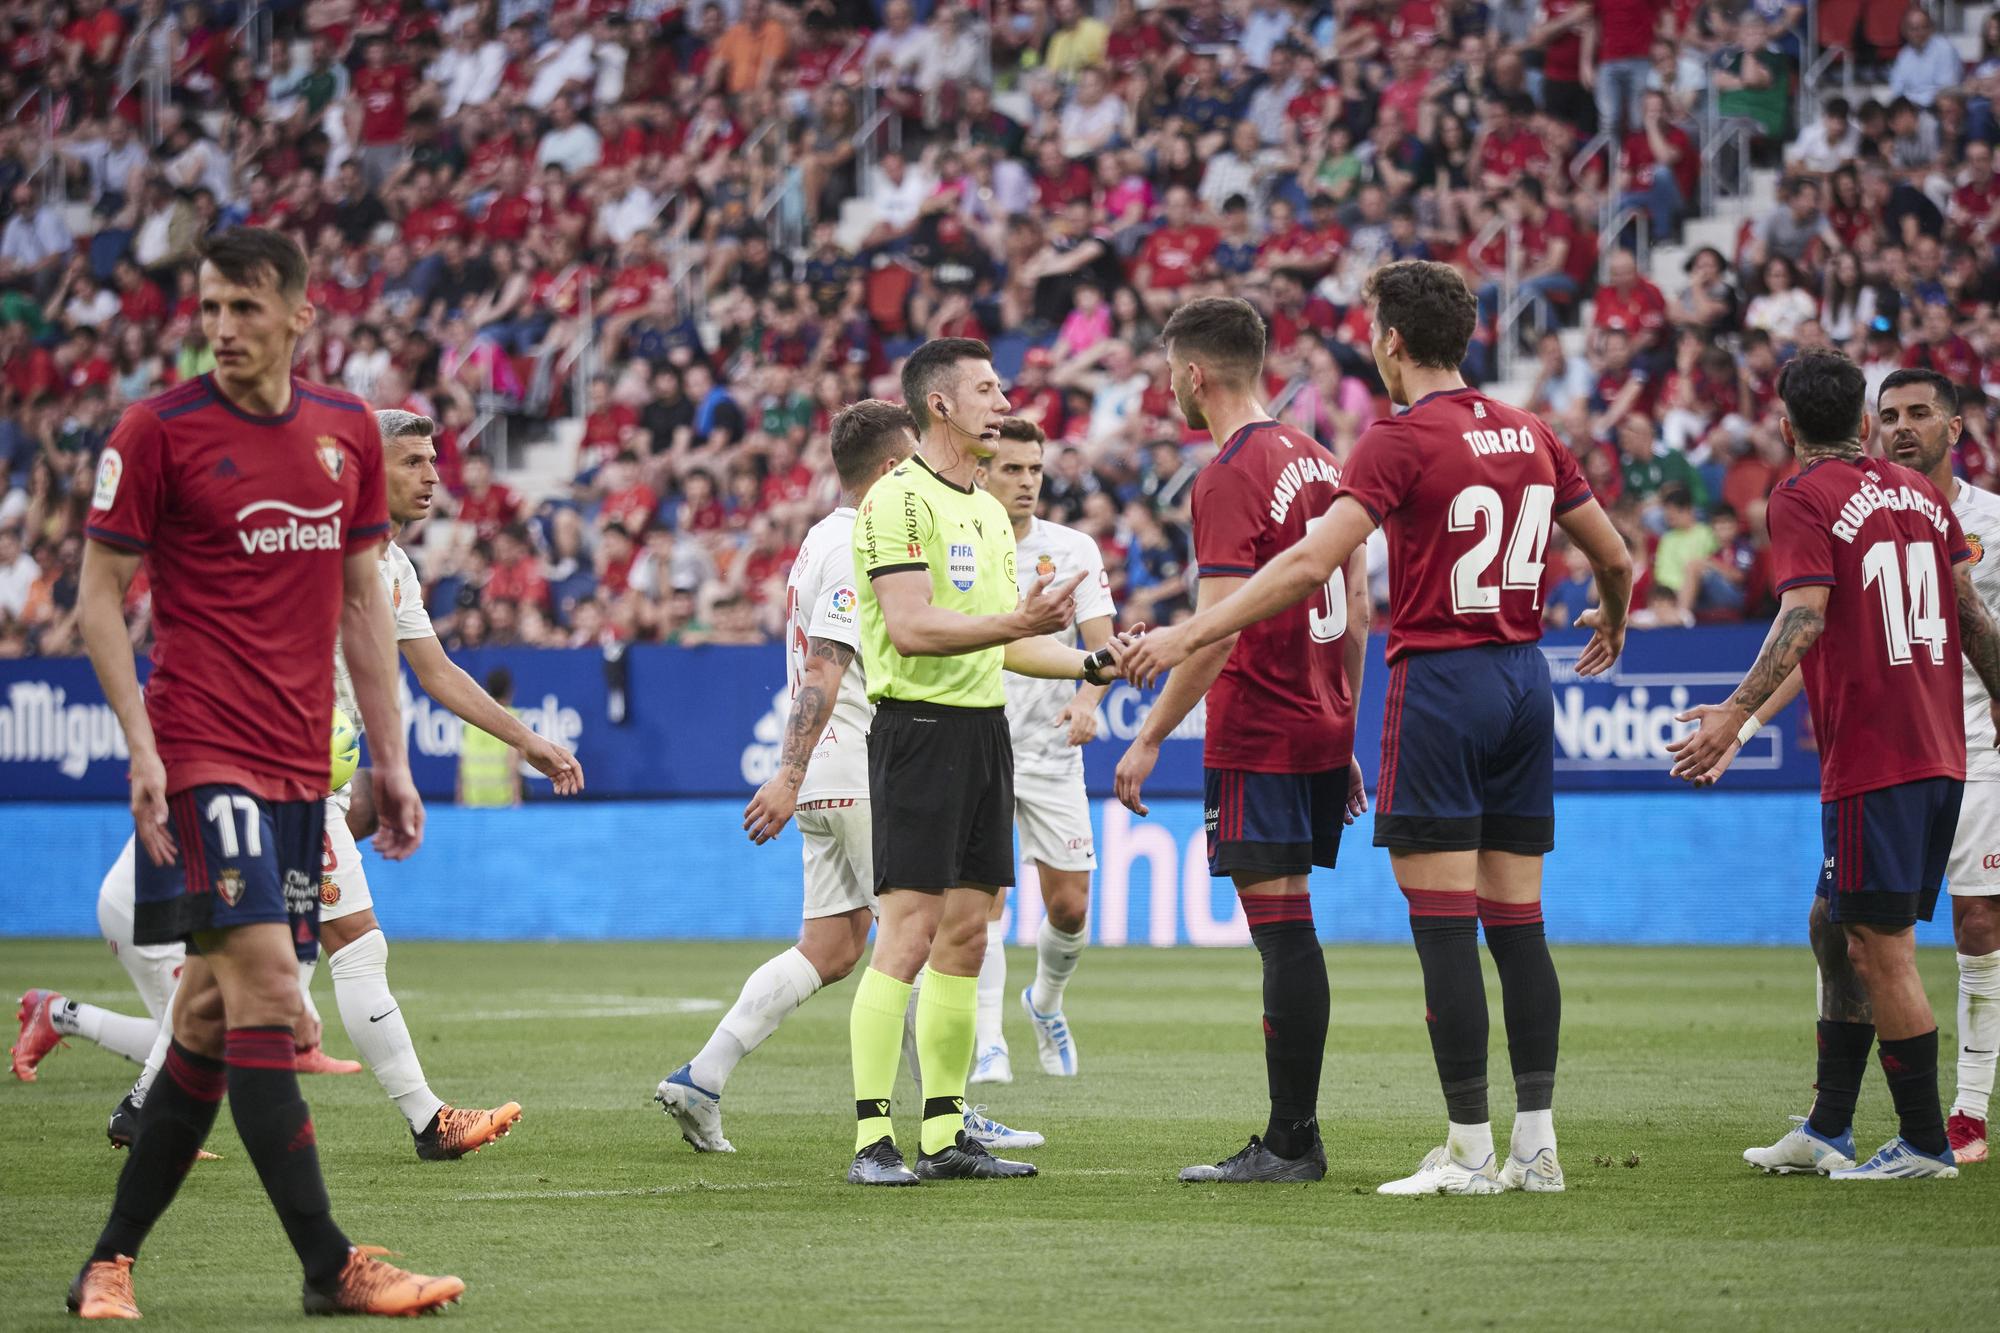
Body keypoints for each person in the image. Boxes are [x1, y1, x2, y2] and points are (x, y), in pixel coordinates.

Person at [1123, 261, 1634, 1195]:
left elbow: (1317, 561)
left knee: (1441, 925)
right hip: (1526, 678)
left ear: (1391, 340)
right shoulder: (1532, 432)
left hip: (1442, 681)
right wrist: (1613, 614)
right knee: (1519, 925)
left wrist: (1187, 631)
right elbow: (1615, 555)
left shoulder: (1394, 440)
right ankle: (1537, 1147)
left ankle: (1470, 1151)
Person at [66, 228, 461, 1318]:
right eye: (209, 310)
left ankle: (107, 1260)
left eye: (245, 309)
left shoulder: (344, 436)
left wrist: (390, 756)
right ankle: (332, 1265)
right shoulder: (156, 430)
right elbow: (98, 599)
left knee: (203, 1018)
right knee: (276, 998)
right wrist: (141, 745)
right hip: (200, 750)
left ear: (298, 315)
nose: (224, 330)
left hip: (299, 772)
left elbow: (360, 610)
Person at [1671, 351, 2000, 1181]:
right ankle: (1827, 1126)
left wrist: (1736, 715)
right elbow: (1968, 610)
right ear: (1864, 423)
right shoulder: (1923, 494)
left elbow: (1804, 617)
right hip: (1940, 753)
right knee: (1834, 922)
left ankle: (1926, 1142)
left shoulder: (1801, 496)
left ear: (1786, 429)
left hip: (1875, 758)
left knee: (1879, 948)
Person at [843, 337, 1129, 1186]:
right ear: (940, 405)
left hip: (983, 733)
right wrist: (1019, 628)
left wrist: (1094, 665)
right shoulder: (898, 501)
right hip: (918, 729)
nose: (1002, 401)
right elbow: (912, 628)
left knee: (965, 937)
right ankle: (870, 1139)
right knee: (908, 934)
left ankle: (940, 1134)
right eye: (986, 389)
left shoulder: (983, 511)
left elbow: (1011, 644)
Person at [1113, 295, 1371, 1184]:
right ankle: (1294, 1132)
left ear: (1193, 374)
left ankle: (1292, 1141)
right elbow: (1359, 607)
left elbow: (1215, 629)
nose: (1166, 390)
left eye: (1167, 374)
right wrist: (1344, 721)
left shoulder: (1227, 472)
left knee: (1283, 933)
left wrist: (1149, 736)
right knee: (1294, 925)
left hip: (1260, 722)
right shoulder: (1320, 457)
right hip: (1319, 719)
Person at [656, 400, 917, 1153]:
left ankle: (702, 1076)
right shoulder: (858, 545)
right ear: (891, 469)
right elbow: (822, 671)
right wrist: (787, 771)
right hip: (858, 763)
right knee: (916, 936)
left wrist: (796, 775)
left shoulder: (817, 539)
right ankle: (948, 1116)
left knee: (832, 948)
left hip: (827, 775)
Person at [974, 415, 1116, 1082]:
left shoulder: (1075, 549)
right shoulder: (962, 542)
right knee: (984, 897)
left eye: (1034, 469)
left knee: (1071, 907)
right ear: (982, 469)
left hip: (1052, 748)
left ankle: (1044, 1002)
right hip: (977, 740)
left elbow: (1103, 648)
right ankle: (988, 1040)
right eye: (1012, 468)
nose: (1028, 481)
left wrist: (1088, 703)